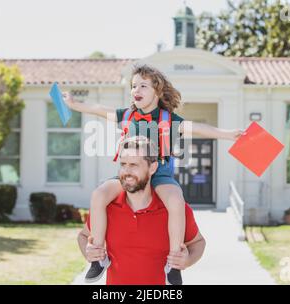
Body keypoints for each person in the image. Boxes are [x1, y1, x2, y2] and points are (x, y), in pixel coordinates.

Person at [64, 64, 244, 284]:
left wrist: (229, 134)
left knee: (176, 200)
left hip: (161, 174)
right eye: (133, 86)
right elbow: (99, 109)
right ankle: (99, 259)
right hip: (131, 172)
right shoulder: (127, 116)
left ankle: (174, 262)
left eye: (143, 85)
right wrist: (74, 104)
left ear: (157, 92)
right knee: (99, 195)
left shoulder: (169, 120)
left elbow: (198, 128)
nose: (136, 90)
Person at [77, 136, 206, 285]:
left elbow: (198, 242)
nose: (126, 171)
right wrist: (89, 252)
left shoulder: (174, 209)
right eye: (123, 164)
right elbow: (83, 236)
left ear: (152, 168)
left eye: (134, 165)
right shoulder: (107, 207)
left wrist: (187, 260)